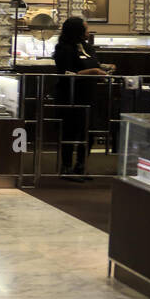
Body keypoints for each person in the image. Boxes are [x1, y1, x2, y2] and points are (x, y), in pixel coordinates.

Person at [52, 16, 107, 182]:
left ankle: (81, 165)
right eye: (85, 28)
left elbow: (95, 64)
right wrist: (92, 73)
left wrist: (104, 69)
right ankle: (66, 167)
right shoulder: (63, 49)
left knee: (88, 132)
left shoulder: (87, 47)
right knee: (70, 132)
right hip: (69, 96)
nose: (88, 31)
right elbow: (66, 73)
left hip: (88, 95)